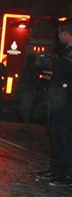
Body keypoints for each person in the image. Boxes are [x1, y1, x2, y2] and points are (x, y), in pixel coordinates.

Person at [36, 19, 72, 186]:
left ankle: (67, 173)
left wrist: (61, 84)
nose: (58, 36)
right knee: (57, 134)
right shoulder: (66, 51)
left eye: (60, 33)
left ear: (66, 33)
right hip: (60, 100)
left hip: (67, 101)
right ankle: (57, 168)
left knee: (65, 137)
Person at [16, 54, 41, 133]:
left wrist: (19, 88)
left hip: (27, 91)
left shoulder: (27, 69)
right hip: (31, 91)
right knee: (27, 109)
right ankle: (26, 125)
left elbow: (24, 80)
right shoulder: (36, 69)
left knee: (25, 109)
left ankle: (26, 126)